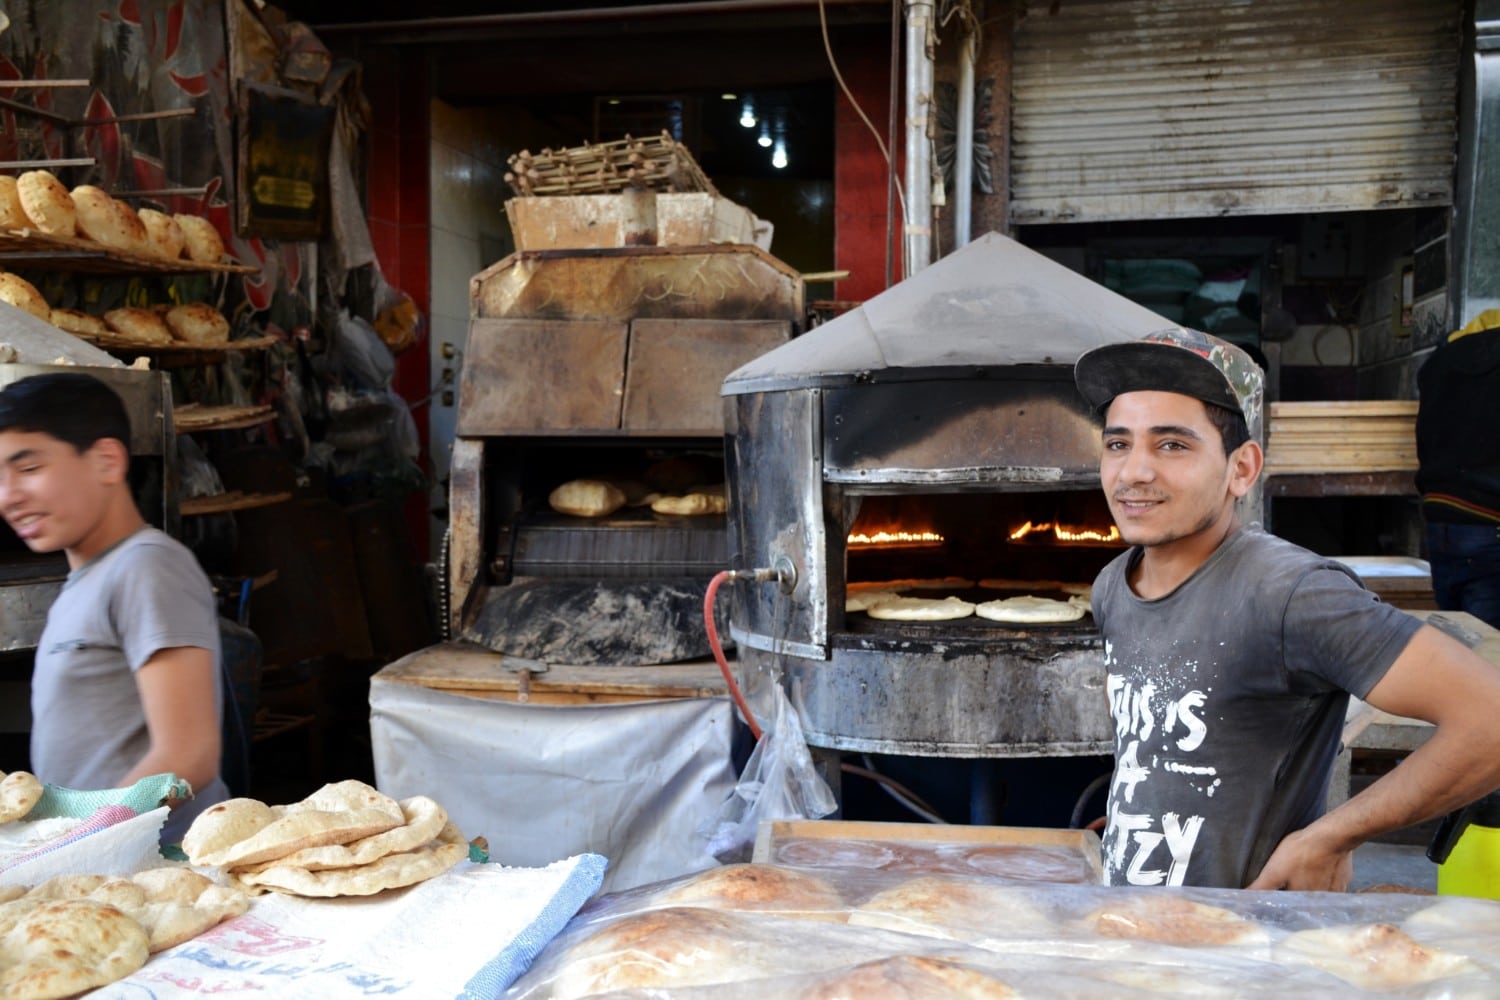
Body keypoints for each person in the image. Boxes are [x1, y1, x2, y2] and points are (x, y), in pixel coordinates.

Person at [1072, 327, 1500, 890]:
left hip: (1244, 948)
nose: (1134, 473)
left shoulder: (1291, 593)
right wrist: (1137, 816)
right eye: (1118, 443)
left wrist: (1330, 837)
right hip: (1139, 932)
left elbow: (1488, 720)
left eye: (1172, 444)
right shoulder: (1112, 585)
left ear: (1242, 469)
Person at [0, 372, 226, 843]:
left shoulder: (147, 566)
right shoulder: (84, 582)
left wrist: (76, 844)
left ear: (106, 461)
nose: (8, 497)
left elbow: (190, 754)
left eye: (28, 468)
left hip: (158, 868)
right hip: (102, 865)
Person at [1416, 308, 1500, 629]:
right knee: (1490, 661)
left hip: (1443, 522)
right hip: (1492, 526)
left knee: (1465, 642)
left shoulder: (1441, 361)